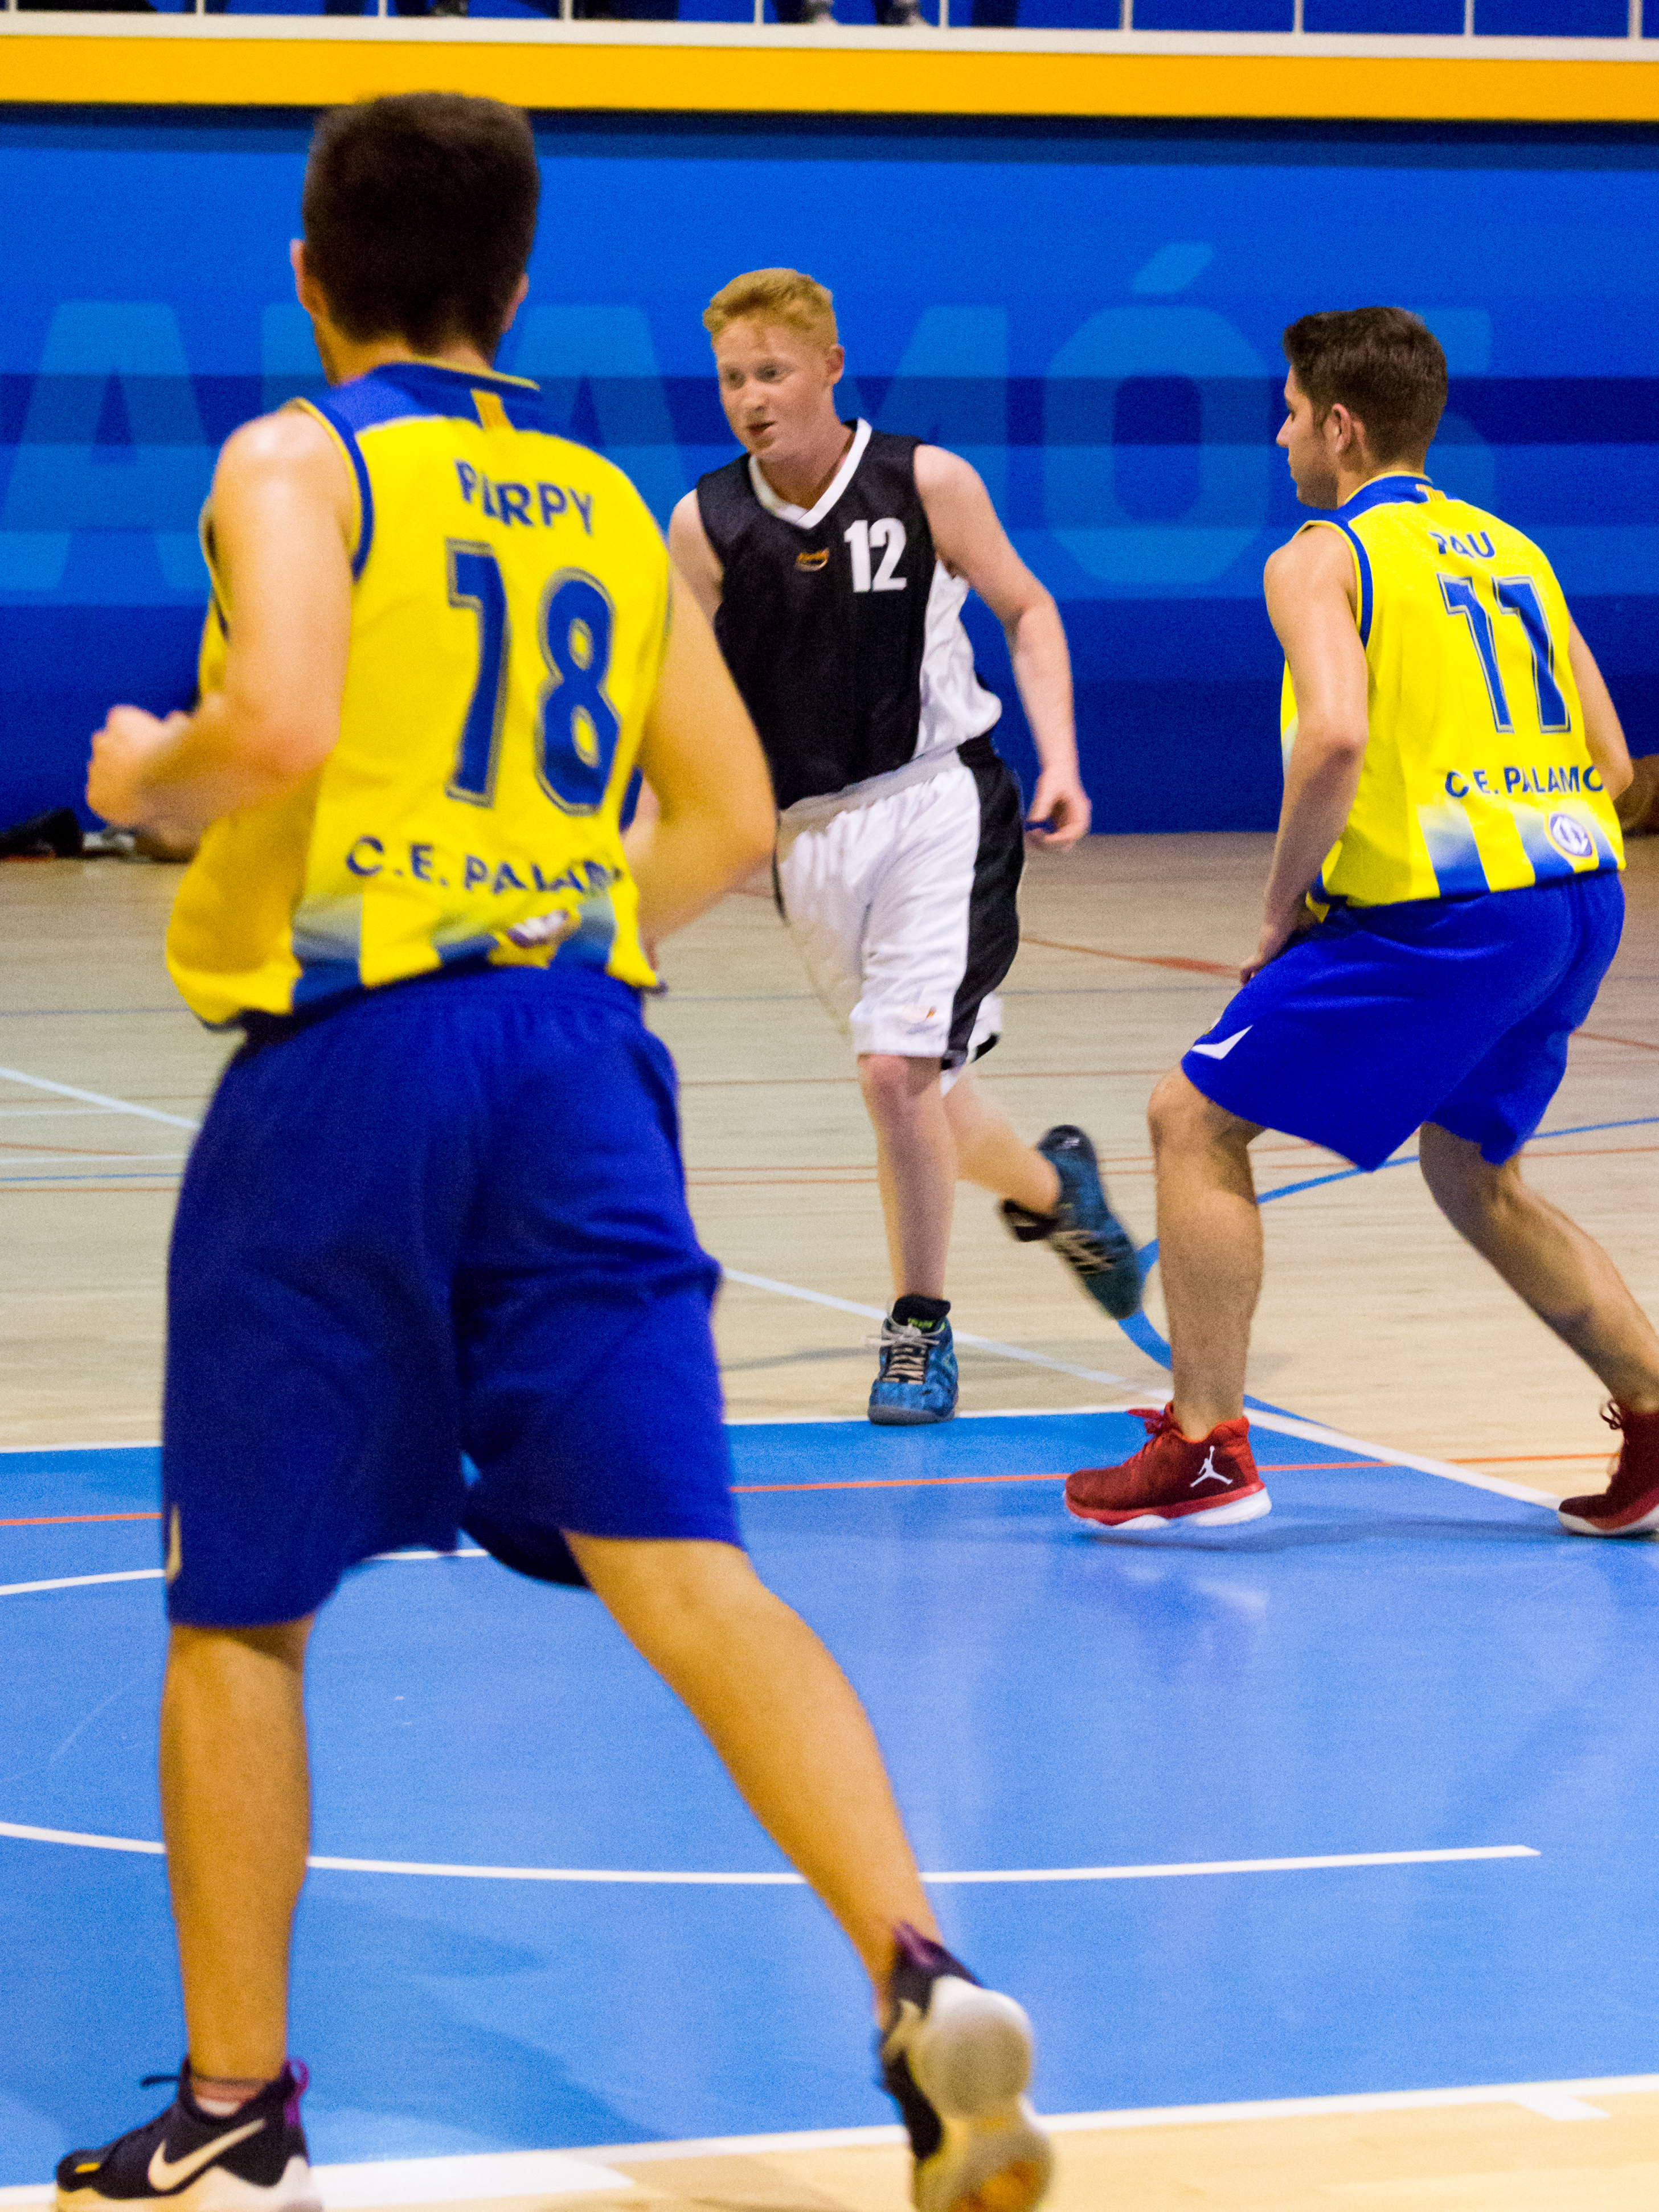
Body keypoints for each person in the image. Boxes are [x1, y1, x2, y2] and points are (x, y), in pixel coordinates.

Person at [57, 95, 1051, 2212]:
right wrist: (555, 922)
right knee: (686, 1563)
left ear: (311, 279)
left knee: (241, 1608)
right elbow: (728, 814)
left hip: (352, 1067)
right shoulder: (605, 498)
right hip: (585, 1055)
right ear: (514, 289)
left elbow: (285, 723)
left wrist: (152, 773)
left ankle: (232, 2112)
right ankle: (921, 1968)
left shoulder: (299, 457)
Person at [1065, 306, 1659, 1539]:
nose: (1278, 437)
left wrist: (1284, 906)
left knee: (1191, 1118)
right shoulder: (1510, 551)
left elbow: (1332, 734)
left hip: (1446, 913)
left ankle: (1206, 1447)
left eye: (1287, 413)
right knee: (1473, 1175)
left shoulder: (1319, 556)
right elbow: (1611, 765)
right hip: (1575, 898)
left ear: (1339, 426)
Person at [669, 268, 1140, 1427]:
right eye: (731, 379)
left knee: (893, 1074)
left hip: (938, 799)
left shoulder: (925, 480)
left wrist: (1063, 758)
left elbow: (1027, 608)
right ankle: (1058, 1194)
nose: (750, 398)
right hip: (808, 837)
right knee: (928, 1102)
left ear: (830, 368)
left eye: (771, 372)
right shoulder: (702, 522)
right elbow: (678, 700)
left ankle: (917, 1331)